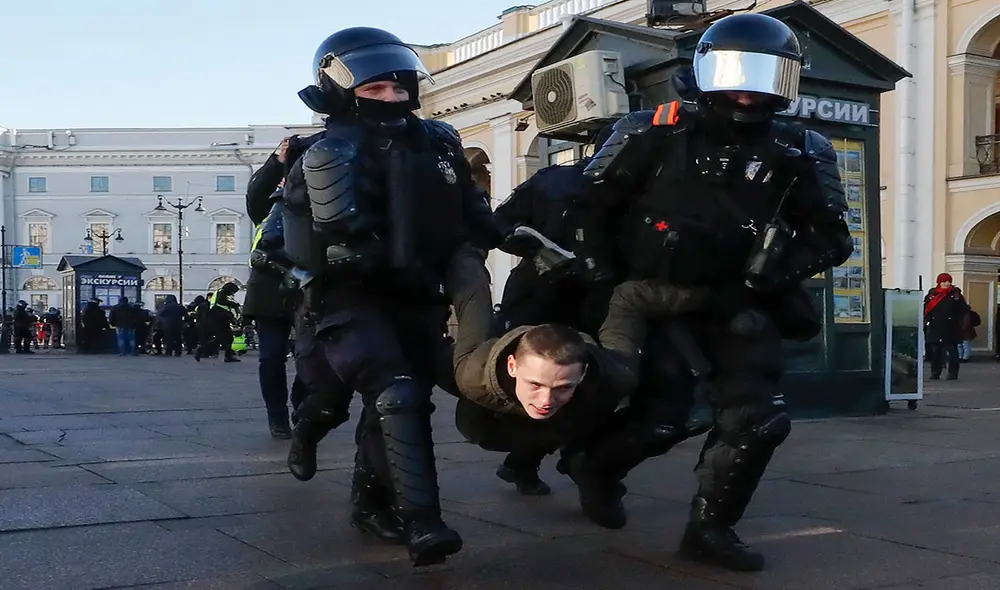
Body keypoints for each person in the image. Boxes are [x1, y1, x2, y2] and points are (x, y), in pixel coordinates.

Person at [578, 13, 854, 571]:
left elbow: (832, 238)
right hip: (651, 297)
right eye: (734, 71)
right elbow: (589, 208)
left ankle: (712, 528)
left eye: (764, 75)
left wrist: (765, 277)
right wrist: (602, 279)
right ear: (704, 69)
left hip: (737, 304)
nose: (747, 89)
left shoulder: (800, 148)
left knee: (761, 419)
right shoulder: (651, 129)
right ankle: (598, 465)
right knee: (665, 418)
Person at [281, 27, 504, 567]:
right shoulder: (325, 153)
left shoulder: (439, 142)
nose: (391, 99)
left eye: (397, 88)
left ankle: (379, 507)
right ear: (341, 90)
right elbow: (304, 233)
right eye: (374, 89)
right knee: (348, 400)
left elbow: (471, 211)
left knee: (396, 400)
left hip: (414, 296)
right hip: (345, 301)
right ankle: (309, 437)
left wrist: (519, 236)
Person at [923, 273, 970, 380]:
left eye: (948, 281)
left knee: (952, 351)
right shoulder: (932, 294)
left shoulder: (955, 295)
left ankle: (953, 373)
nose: (946, 283)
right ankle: (935, 372)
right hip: (935, 327)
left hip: (951, 327)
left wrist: (959, 321)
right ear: (939, 282)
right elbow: (926, 309)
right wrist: (927, 321)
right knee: (936, 352)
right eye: (944, 281)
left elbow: (964, 309)